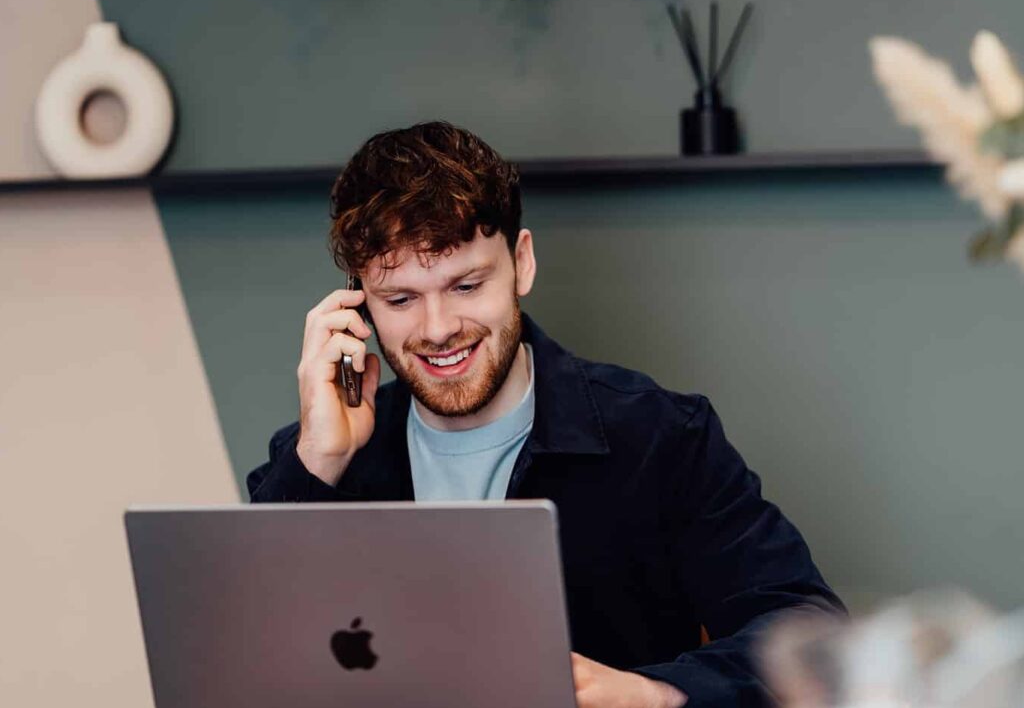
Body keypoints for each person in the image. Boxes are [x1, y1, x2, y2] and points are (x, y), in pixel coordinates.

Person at [248, 121, 845, 708]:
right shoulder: (317, 457)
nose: (437, 329)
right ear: (359, 307)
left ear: (522, 263)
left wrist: (655, 693)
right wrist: (317, 463)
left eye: (466, 285)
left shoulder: (661, 435)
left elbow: (808, 632)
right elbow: (237, 653)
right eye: (400, 300)